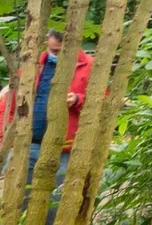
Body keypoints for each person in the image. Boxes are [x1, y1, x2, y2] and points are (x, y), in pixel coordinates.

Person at [1, 31, 92, 194]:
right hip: (27, 143)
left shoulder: (90, 66)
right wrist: (5, 140)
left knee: (56, 199)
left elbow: (102, 101)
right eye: (55, 51)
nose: (59, 55)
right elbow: (10, 105)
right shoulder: (31, 66)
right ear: (45, 43)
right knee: (15, 195)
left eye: (64, 51)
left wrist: (78, 100)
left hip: (65, 149)